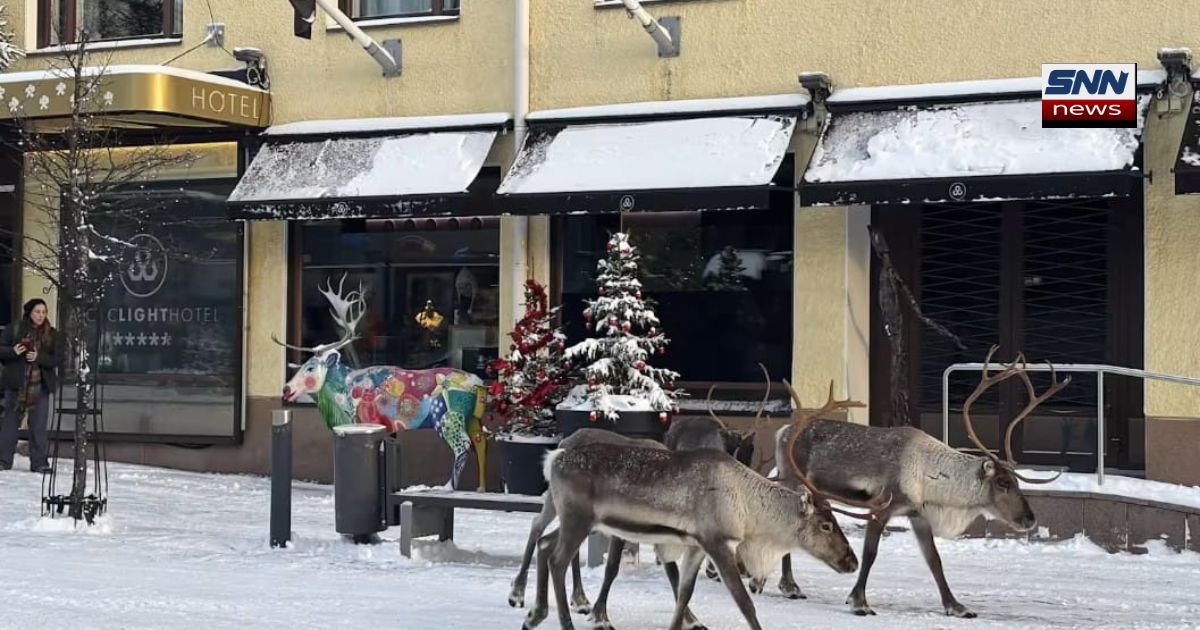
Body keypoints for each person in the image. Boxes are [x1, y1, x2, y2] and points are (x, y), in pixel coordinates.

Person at [0, 299, 61, 473]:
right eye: (37, 312)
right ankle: (3, 460)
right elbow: (1, 350)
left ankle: (39, 462)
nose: (41, 316)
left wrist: (39, 358)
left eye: (43, 312)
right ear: (29, 313)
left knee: (38, 425)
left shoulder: (52, 334)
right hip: (16, 384)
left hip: (40, 385)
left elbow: (57, 359)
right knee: (10, 424)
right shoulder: (15, 329)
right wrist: (13, 351)